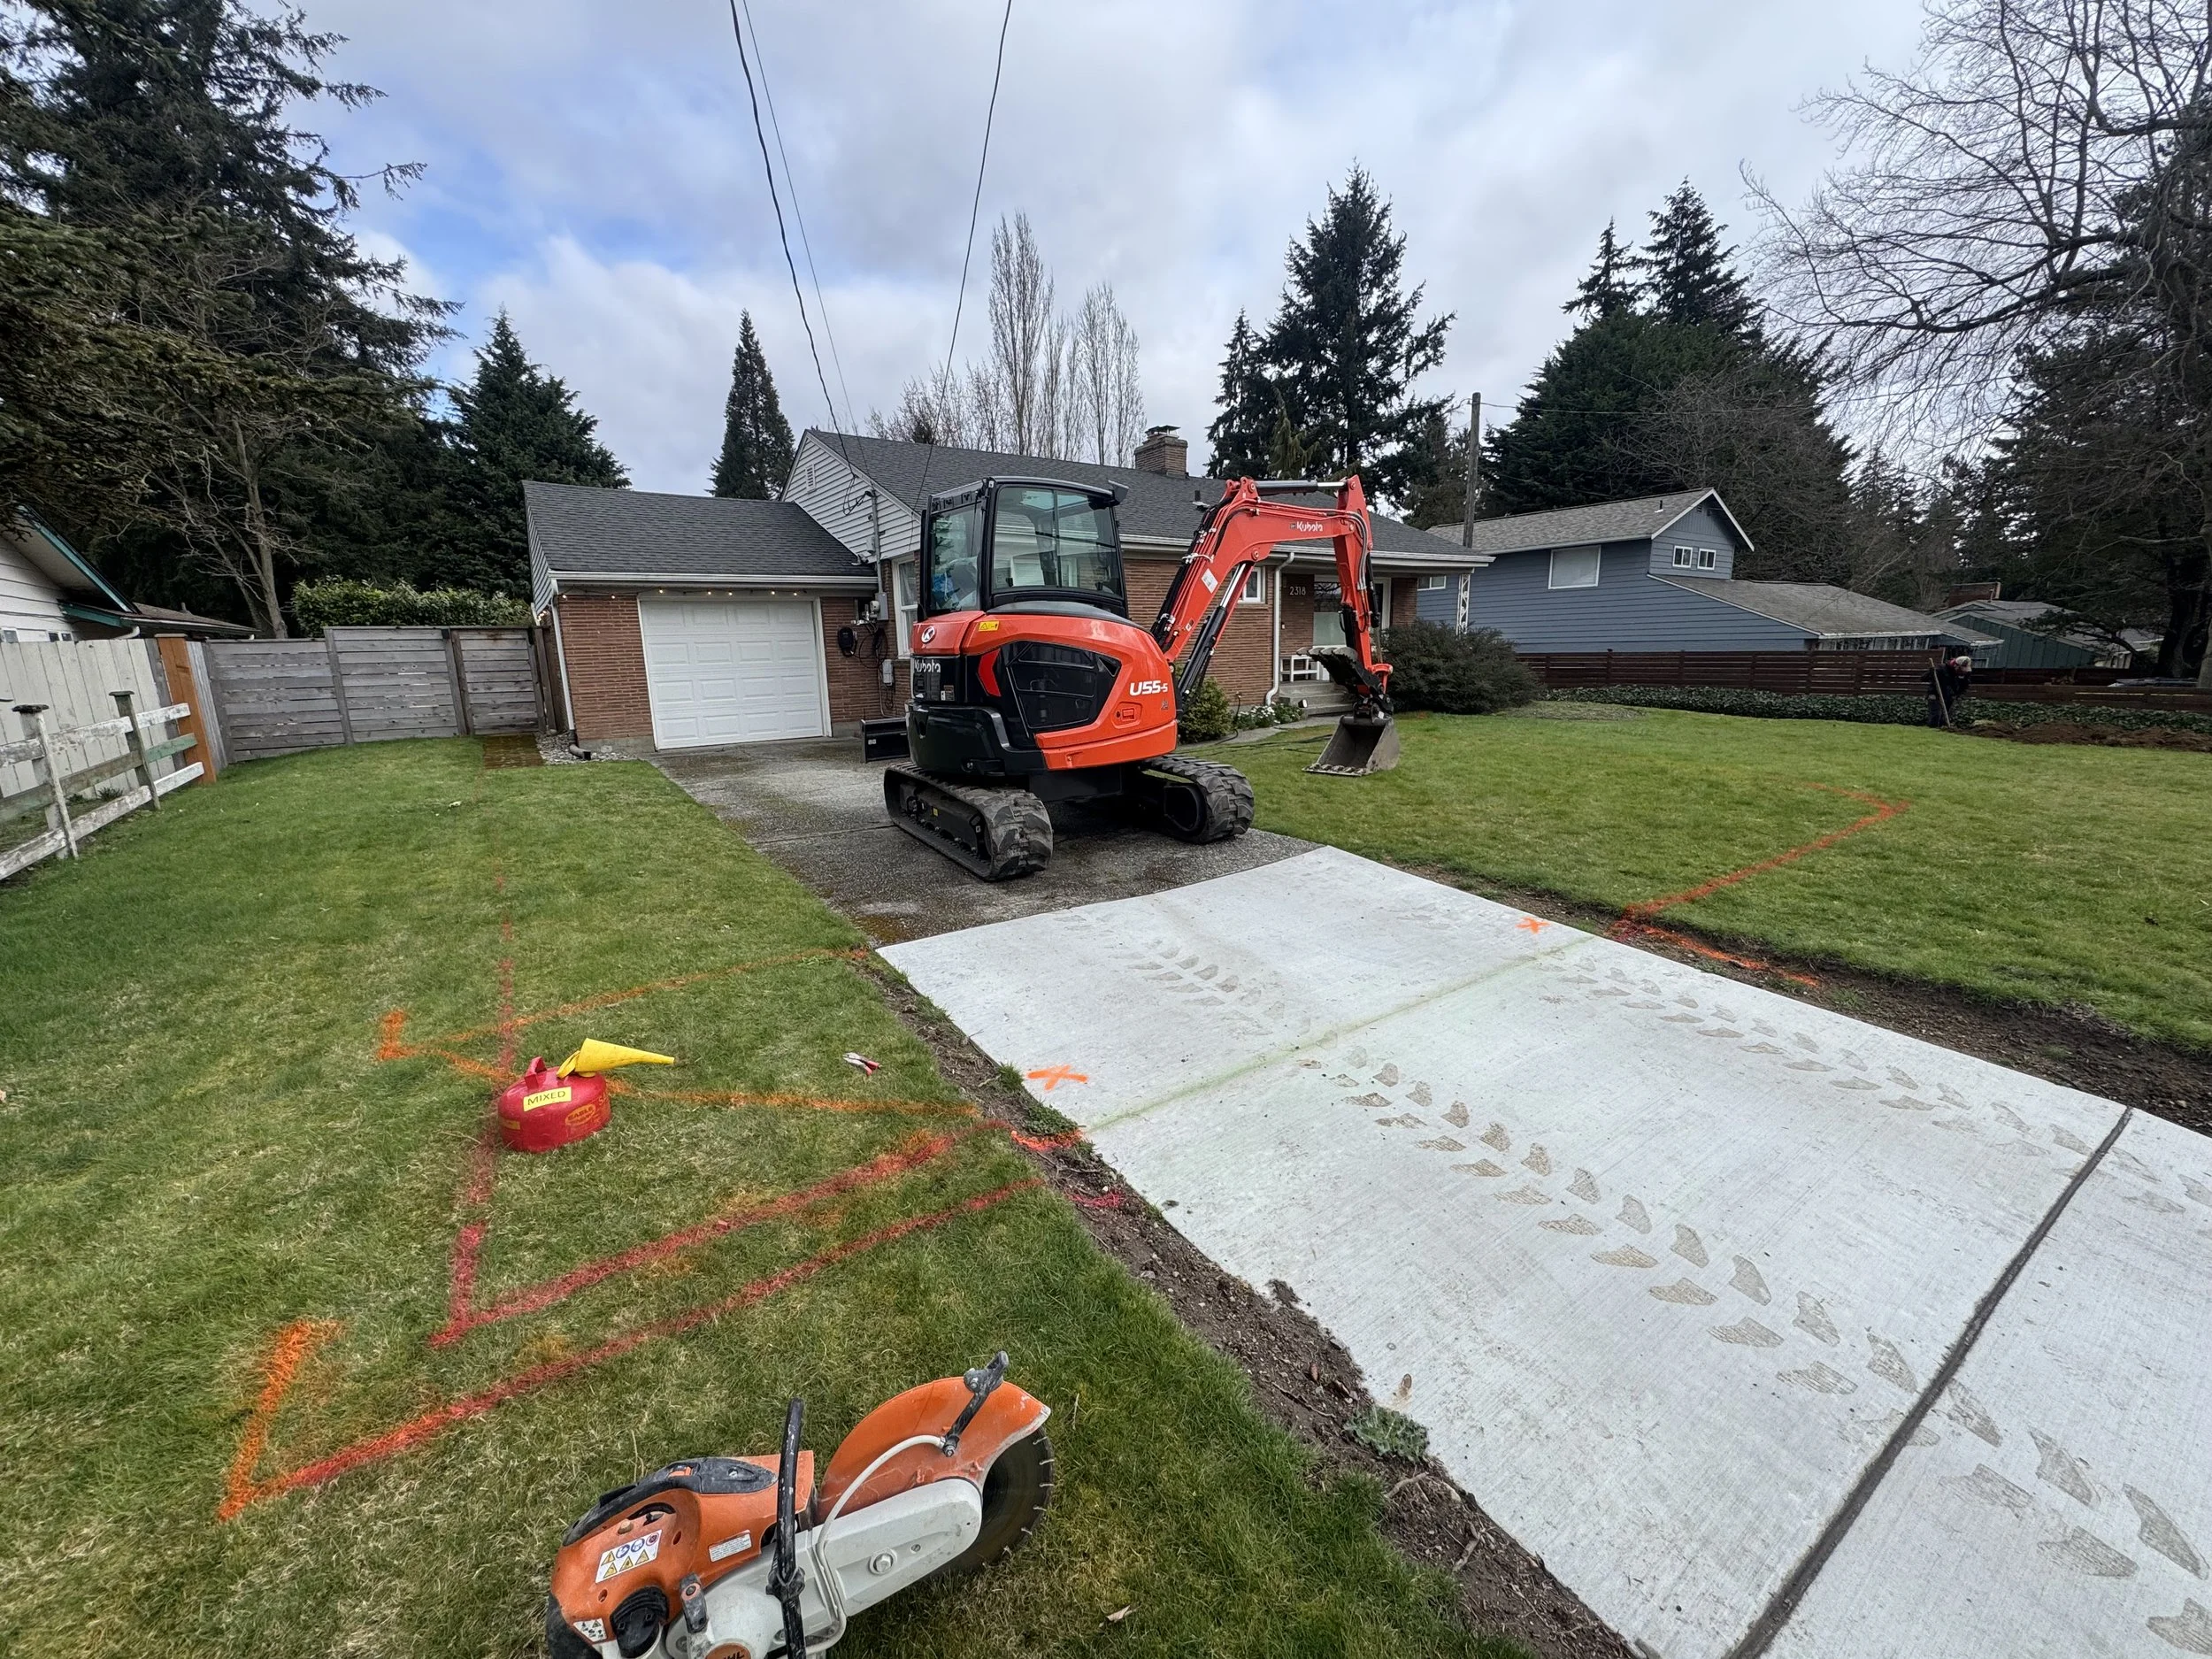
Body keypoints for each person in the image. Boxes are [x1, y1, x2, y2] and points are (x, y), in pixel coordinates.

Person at [1925, 651, 1973, 728]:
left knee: (1945, 717)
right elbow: (1923, 678)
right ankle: (1932, 730)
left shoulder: (1965, 674)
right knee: (1936, 716)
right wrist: (1931, 672)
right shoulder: (1941, 669)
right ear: (1956, 666)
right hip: (1935, 695)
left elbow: (1965, 685)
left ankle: (1942, 731)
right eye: (1961, 669)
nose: (1963, 672)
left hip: (1949, 696)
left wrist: (1959, 695)